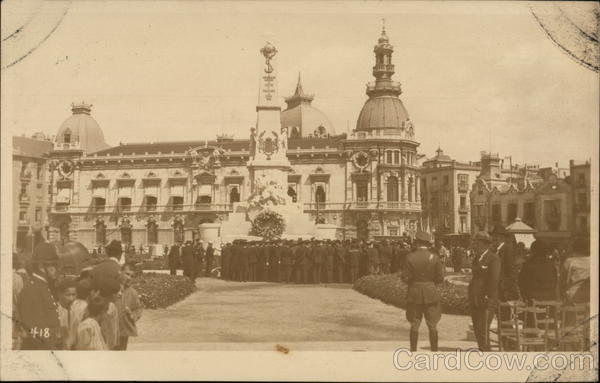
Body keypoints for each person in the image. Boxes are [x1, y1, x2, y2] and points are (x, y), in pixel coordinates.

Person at [401, 231, 445, 352]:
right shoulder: (434, 257)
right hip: (431, 293)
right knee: (432, 325)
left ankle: (413, 351)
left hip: (414, 293)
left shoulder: (410, 257)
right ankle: (434, 351)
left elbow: (404, 277)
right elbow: (440, 278)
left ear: (417, 242)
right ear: (427, 243)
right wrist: (430, 283)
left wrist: (413, 281)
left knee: (414, 324)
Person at [17, 242, 62, 350]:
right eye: (53, 265)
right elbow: (37, 333)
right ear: (42, 266)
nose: (57, 268)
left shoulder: (44, 286)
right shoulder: (32, 290)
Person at [468, 231, 501, 352]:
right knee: (477, 325)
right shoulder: (477, 257)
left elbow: (494, 278)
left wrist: (488, 295)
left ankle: (486, 351)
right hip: (475, 297)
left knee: (484, 326)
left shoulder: (493, 258)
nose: (474, 245)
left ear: (484, 244)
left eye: (477, 242)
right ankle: (481, 348)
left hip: (486, 298)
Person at [115, 263, 143, 350]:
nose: (129, 278)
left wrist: (132, 314)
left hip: (124, 330)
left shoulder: (132, 292)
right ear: (120, 272)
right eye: (127, 274)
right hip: (110, 328)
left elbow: (138, 308)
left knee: (122, 353)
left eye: (132, 276)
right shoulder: (111, 287)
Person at [56, 277, 78, 349]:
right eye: (68, 295)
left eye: (74, 294)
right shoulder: (55, 312)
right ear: (59, 294)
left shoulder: (75, 312)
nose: (71, 299)